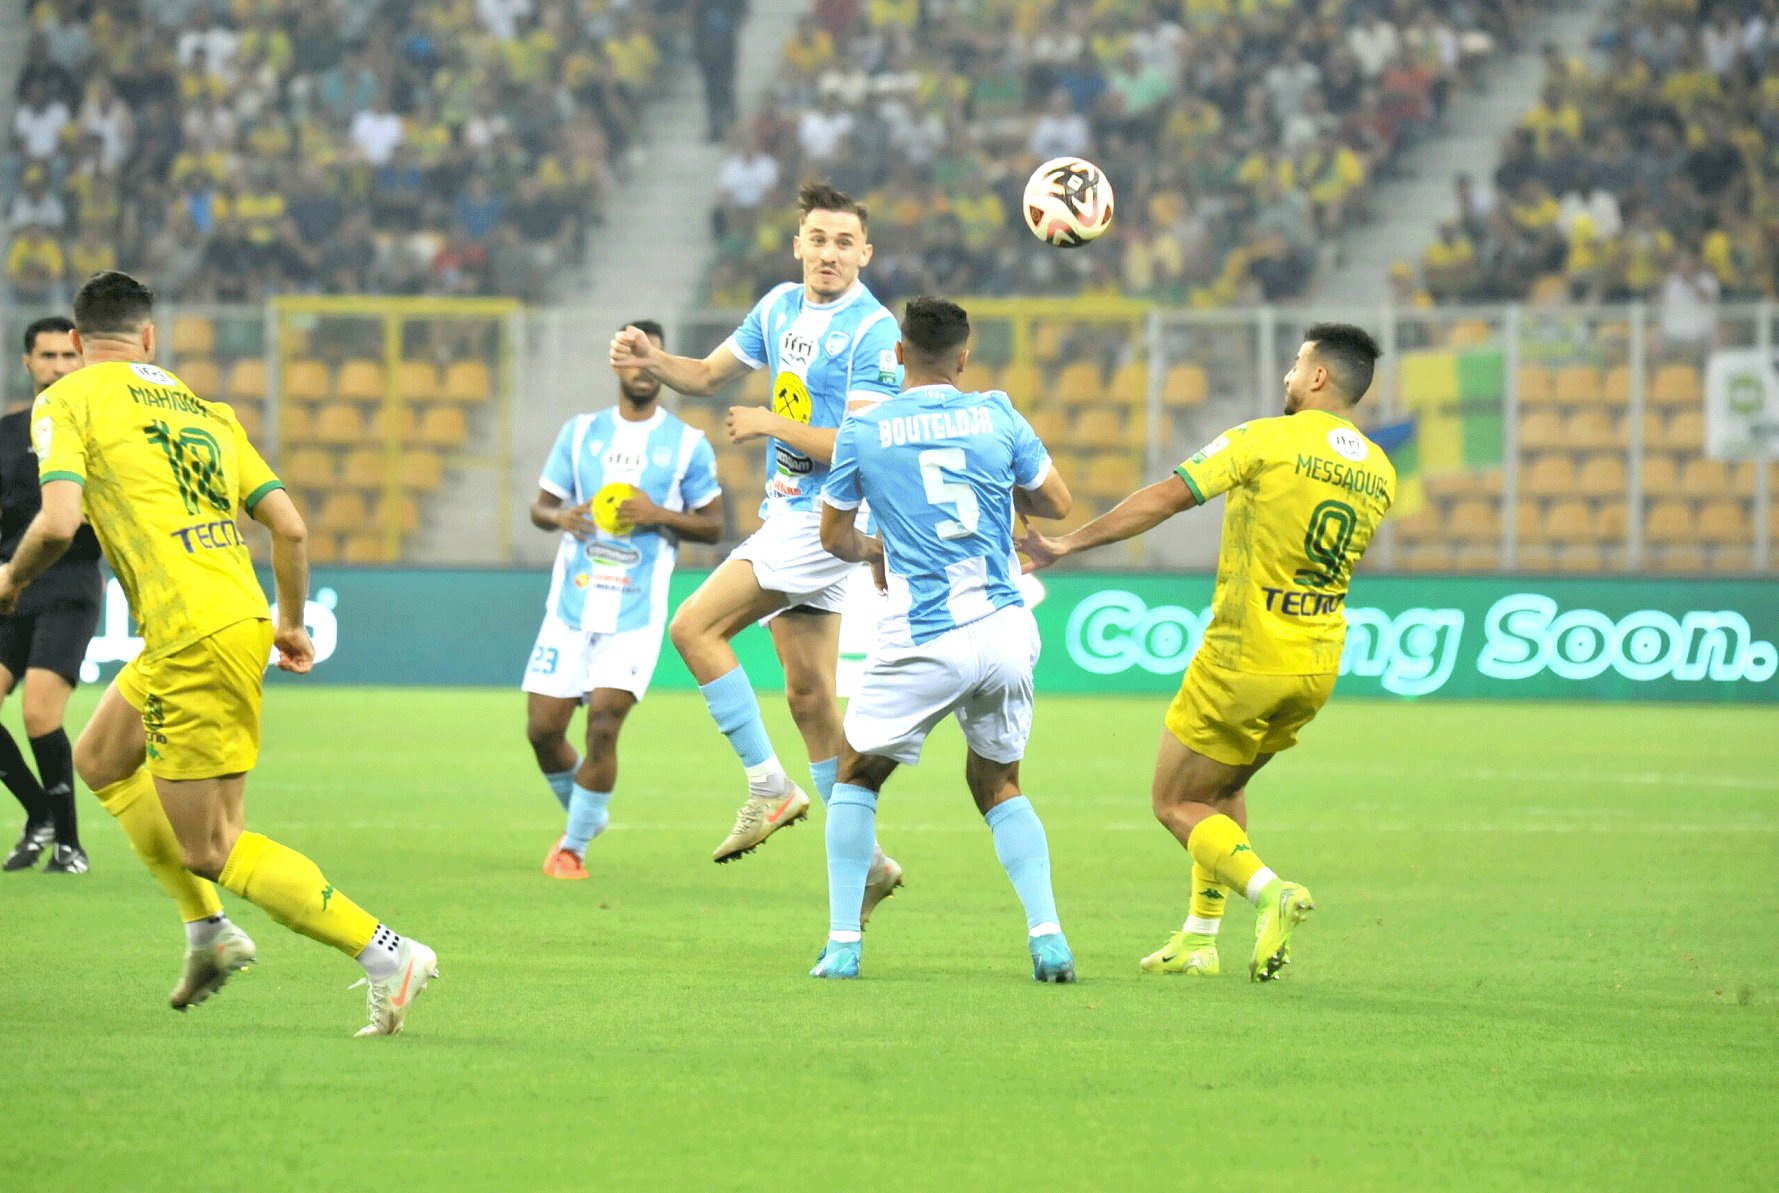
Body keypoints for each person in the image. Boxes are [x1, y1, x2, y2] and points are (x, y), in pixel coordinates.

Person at [0, 272, 436, 1034]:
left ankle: (387, 951)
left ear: (75, 342)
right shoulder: (205, 409)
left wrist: (8, 581)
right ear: (148, 338)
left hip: (190, 631)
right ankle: (207, 932)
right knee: (100, 759)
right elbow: (290, 528)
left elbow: (59, 520)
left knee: (212, 843)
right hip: (224, 614)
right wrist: (290, 623)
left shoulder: (65, 399)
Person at [1018, 323, 1395, 982]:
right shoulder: (1381, 470)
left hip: (1245, 653)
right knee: (1222, 787)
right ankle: (1199, 936)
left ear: (1318, 378)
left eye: (1295, 364)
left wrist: (1067, 544)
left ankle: (1270, 890)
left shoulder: (1264, 438)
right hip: (1316, 661)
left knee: (1173, 802)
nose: (1286, 376)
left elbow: (1167, 497)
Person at [609, 183, 906, 917]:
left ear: (864, 253)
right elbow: (707, 377)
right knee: (808, 698)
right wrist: (652, 357)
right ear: (797, 243)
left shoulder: (873, 333)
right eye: (817, 238)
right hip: (793, 512)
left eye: (844, 242)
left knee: (692, 628)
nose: (829, 253)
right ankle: (866, 861)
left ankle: (768, 785)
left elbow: (856, 443)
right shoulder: (778, 305)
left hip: (827, 516)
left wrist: (773, 423)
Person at [811, 297, 1075, 981]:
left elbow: (833, 537)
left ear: (897, 354)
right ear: (963, 356)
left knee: (856, 773)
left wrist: (874, 547)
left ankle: (843, 944)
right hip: (1005, 628)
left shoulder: (863, 429)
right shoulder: (995, 411)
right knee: (997, 780)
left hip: (925, 631)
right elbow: (1057, 503)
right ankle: (1048, 937)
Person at [526, 320, 725, 880]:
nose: (642, 368)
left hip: (635, 610)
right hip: (571, 604)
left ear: (662, 364)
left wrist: (657, 515)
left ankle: (573, 848)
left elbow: (713, 527)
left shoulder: (687, 444)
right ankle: (588, 815)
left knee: (605, 725)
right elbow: (539, 508)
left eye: (652, 357)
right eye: (632, 358)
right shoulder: (581, 431)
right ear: (618, 364)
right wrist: (560, 515)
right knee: (542, 731)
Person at [0, 317, 100, 874]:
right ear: (28, 362)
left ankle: (69, 843)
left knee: (40, 714)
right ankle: (40, 813)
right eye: (48, 356)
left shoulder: (94, 429)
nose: (60, 366)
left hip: (69, 583)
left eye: (69, 355)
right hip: (9, 584)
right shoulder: (5, 433)